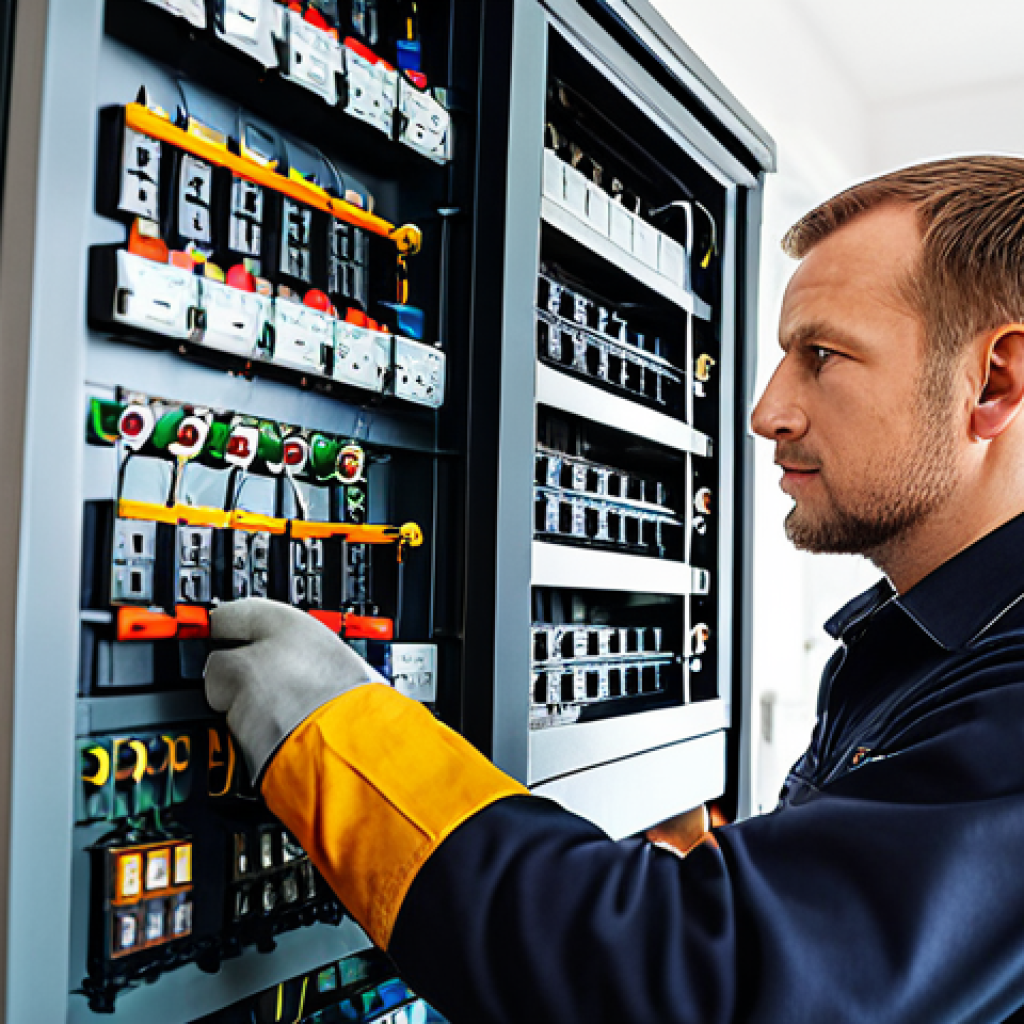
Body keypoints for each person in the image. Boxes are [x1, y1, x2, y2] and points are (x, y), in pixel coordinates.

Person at [206, 157, 1024, 1023]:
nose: (767, 412)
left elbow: (697, 991)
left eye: (821, 356)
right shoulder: (914, 653)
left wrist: (339, 736)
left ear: (995, 382)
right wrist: (694, 880)